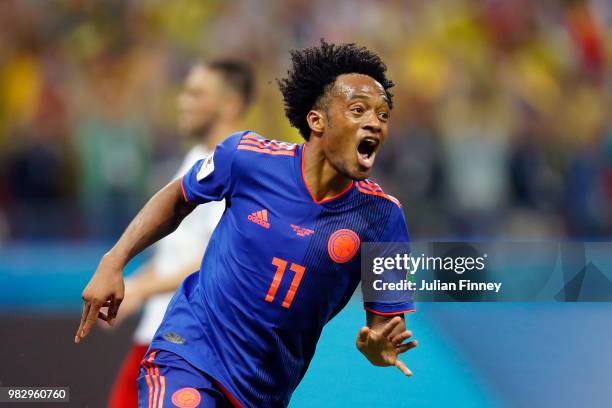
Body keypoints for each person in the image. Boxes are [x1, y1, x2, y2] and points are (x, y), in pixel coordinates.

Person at [76, 41, 418, 408]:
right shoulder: (247, 158)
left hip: (263, 392)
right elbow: (177, 199)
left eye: (383, 115)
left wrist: (378, 346)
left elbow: (386, 322)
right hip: (189, 353)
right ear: (317, 120)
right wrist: (114, 260)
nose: (374, 122)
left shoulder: (384, 218)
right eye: (358, 110)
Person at [105, 59, 255, 408]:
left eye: (197, 94)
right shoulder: (195, 157)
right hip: (161, 332)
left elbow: (215, 259)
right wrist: (132, 285)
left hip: (188, 339)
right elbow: (176, 250)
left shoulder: (235, 166)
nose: (183, 101)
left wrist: (141, 288)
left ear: (230, 104)